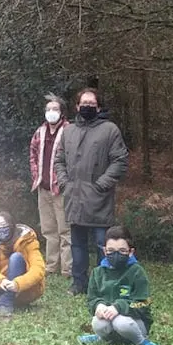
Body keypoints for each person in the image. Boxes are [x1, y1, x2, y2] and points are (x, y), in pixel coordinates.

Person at [54, 88, 129, 295]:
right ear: (77, 106)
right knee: (76, 245)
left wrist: (102, 184)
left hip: (99, 199)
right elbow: (59, 159)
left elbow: (120, 161)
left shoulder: (110, 130)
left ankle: (102, 284)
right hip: (74, 197)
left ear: (98, 106)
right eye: (83, 103)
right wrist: (64, 182)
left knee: (101, 245)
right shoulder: (68, 131)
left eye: (91, 103)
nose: (87, 106)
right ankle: (79, 283)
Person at [77, 226, 160, 345]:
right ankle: (102, 337)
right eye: (111, 250)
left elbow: (143, 303)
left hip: (134, 322)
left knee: (120, 322)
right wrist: (98, 306)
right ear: (104, 251)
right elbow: (91, 299)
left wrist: (119, 307)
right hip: (109, 320)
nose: (116, 255)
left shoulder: (137, 272)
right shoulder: (97, 272)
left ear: (130, 252)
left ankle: (141, 341)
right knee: (97, 322)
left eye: (122, 251)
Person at [29, 93, 72, 278]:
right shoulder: (40, 132)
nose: (51, 112)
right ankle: (51, 266)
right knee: (48, 230)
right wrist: (36, 176)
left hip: (60, 189)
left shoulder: (70, 131)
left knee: (65, 230)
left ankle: (67, 269)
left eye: (55, 109)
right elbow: (32, 154)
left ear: (62, 112)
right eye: (48, 109)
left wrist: (65, 181)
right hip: (43, 188)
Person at [0, 211, 45, 316]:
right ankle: (8, 298)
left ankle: (6, 303)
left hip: (26, 288)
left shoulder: (27, 241)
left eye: (3, 225)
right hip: (6, 286)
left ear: (11, 225)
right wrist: (1, 281)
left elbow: (38, 269)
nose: (0, 229)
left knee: (16, 258)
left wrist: (17, 284)